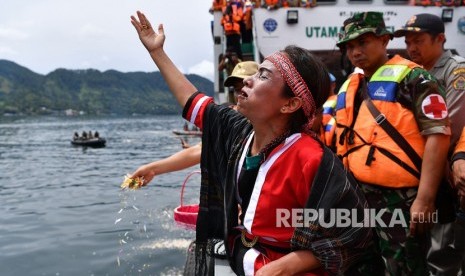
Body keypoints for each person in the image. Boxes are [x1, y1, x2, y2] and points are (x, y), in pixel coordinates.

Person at [130, 10, 373, 275]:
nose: (247, 79)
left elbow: (357, 229)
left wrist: (286, 266)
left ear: (290, 104)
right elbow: (196, 104)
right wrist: (157, 52)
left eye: (263, 76)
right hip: (245, 260)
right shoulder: (242, 133)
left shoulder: (311, 158)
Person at [335, 11, 451, 275]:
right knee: (363, 267)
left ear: (385, 40)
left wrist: (425, 198)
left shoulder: (415, 78)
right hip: (357, 199)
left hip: (401, 201)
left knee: (403, 268)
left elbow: (438, 135)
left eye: (363, 42)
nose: (355, 52)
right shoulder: (350, 84)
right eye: (350, 46)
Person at [393, 13, 465, 275]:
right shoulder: (412, 74)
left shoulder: (456, 70)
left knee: (442, 255)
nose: (412, 48)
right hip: (418, 175)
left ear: (441, 39)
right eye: (408, 42)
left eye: (419, 41)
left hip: (446, 176)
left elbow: (450, 130)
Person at [130, 61, 259, 186]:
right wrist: (152, 169)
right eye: (237, 89)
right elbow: (198, 150)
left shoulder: (271, 125)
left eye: (247, 86)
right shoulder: (231, 122)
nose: (241, 93)